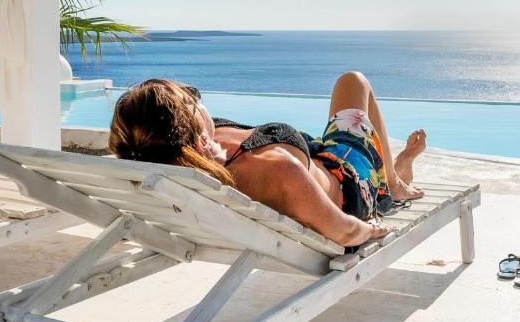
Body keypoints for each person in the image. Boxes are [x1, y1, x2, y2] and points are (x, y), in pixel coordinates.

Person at [108, 72, 427, 247]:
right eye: (194, 98)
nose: (200, 100)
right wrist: (372, 229)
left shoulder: (168, 160)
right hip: (345, 177)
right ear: (199, 137)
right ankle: (391, 183)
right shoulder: (272, 169)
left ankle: (394, 173)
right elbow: (345, 232)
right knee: (354, 82)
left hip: (311, 161)